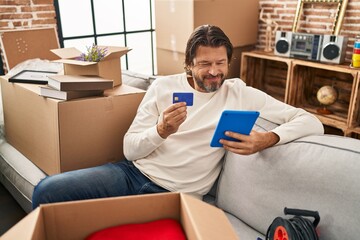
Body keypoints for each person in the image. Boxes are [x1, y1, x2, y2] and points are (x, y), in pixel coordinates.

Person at [32, 25, 324, 208]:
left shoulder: (240, 94)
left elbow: (312, 121)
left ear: (229, 61)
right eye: (204, 64)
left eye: (221, 62)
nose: (214, 71)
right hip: (132, 174)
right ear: (188, 64)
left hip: (176, 196)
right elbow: (129, 148)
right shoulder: (163, 87)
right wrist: (160, 130)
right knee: (47, 191)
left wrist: (268, 138)